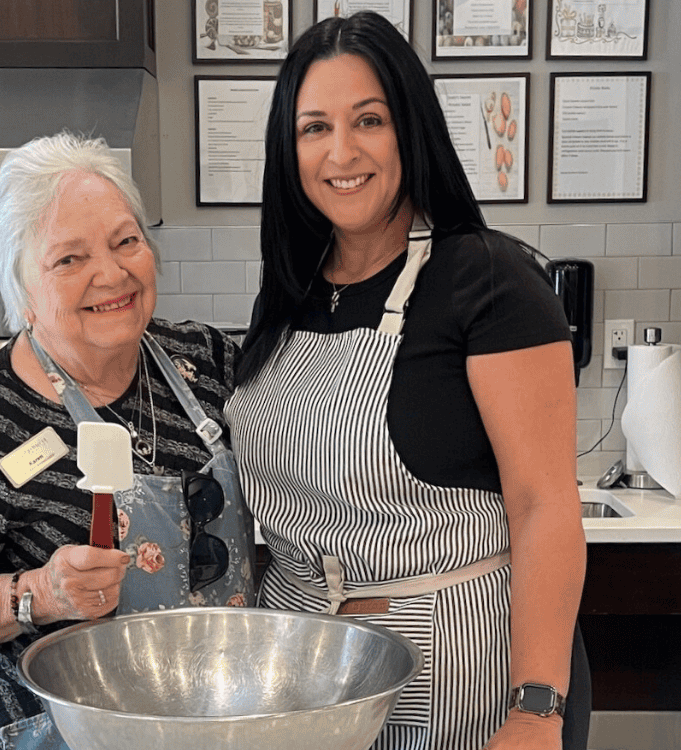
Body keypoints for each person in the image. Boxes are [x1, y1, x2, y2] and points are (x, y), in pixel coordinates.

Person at [225, 11, 590, 750]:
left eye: (369, 120)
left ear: (410, 129)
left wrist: (536, 711)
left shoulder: (485, 278)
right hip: (300, 670)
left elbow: (545, 504)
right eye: (314, 128)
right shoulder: (291, 293)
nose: (342, 152)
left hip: (453, 667)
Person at [0, 131, 255, 750]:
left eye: (126, 241)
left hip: (207, 717)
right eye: (68, 259)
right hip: (58, 731)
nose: (111, 273)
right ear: (22, 292)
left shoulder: (204, 361)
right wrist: (37, 595)